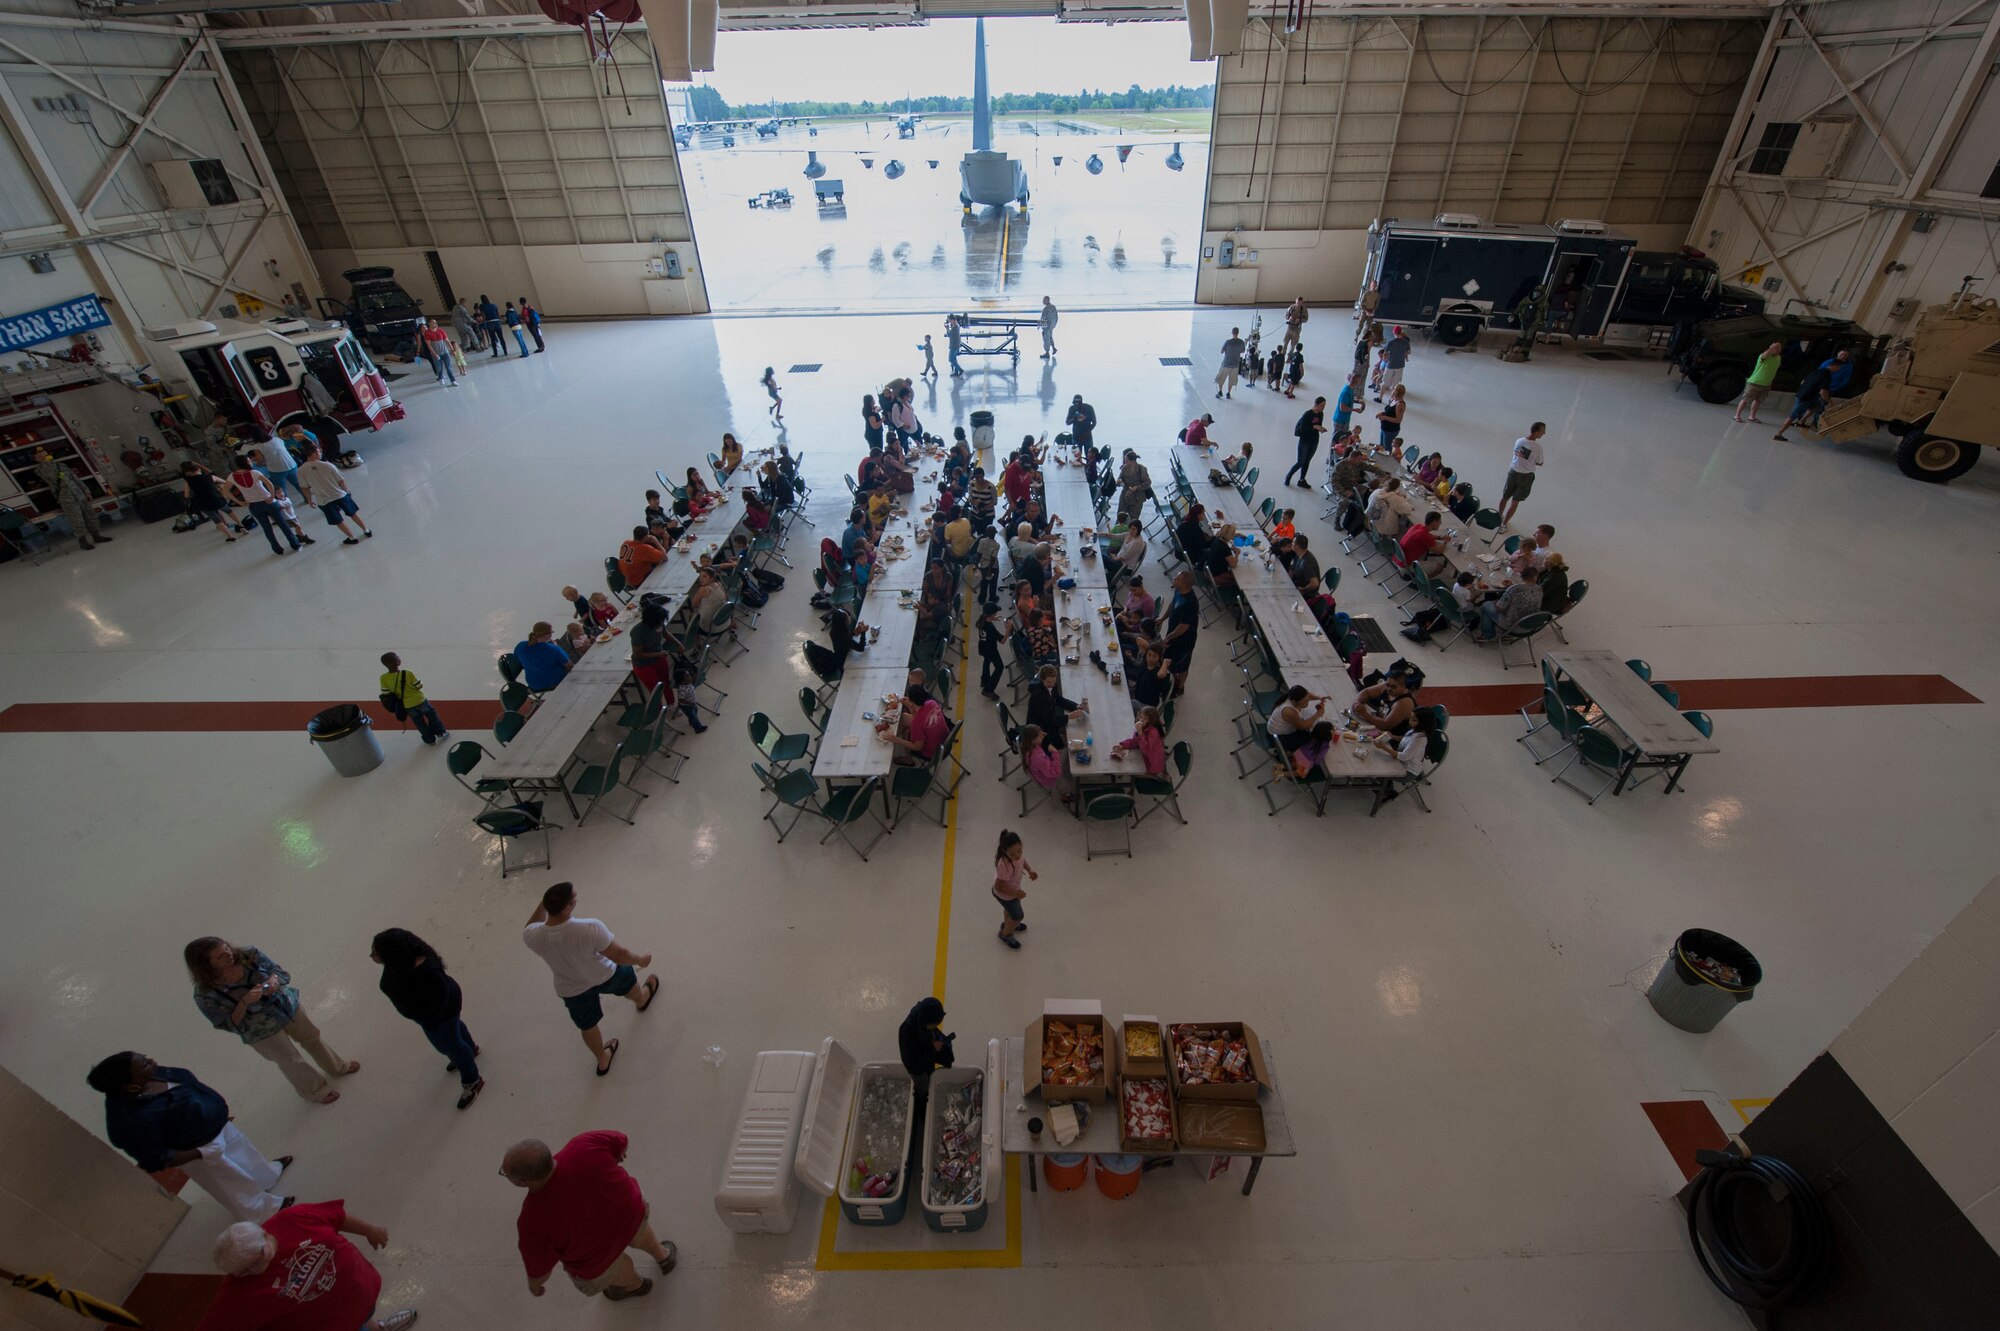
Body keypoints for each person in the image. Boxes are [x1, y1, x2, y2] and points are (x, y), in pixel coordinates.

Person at [90, 1053, 292, 1221]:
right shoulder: (128, 1120)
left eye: (144, 1057)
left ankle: (265, 1176)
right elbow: (157, 1157)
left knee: (242, 1151)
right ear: (129, 1085)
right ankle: (262, 1210)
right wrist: (201, 1153)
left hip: (215, 1125)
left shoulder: (152, 1074)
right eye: (143, 1064)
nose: (150, 1061)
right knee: (229, 1182)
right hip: (199, 1152)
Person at [506, 1132, 676, 1304]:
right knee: (637, 1231)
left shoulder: (531, 1221)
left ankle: (636, 1286)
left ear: (521, 1181)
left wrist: (535, 1285)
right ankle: (663, 1256)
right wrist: (617, 1155)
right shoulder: (583, 1145)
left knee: (613, 1269)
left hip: (596, 1257)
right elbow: (620, 1140)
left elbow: (540, 1268)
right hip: (630, 1214)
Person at [186, 939, 357, 1105]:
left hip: (286, 1006)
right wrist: (244, 1003)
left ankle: (336, 1066)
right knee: (290, 1060)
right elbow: (227, 1024)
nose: (228, 955)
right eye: (220, 957)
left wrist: (273, 980)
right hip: (261, 1031)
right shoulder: (204, 993)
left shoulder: (248, 954)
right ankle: (316, 1090)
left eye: (227, 949)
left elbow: (279, 972)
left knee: (312, 1037)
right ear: (206, 965)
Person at [198, 1205, 415, 1331]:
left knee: (365, 1319)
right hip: (336, 1325)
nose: (250, 1272)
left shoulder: (292, 1218)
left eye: (256, 1261)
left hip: (360, 1291)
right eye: (243, 1271)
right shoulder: (236, 1293)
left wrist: (370, 1229)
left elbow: (335, 1216)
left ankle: (378, 1328)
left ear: (264, 1234)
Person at [522, 882, 659, 1077]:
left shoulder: (534, 936)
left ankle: (602, 1059)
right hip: (604, 975)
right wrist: (640, 960)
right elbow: (618, 955)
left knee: (587, 1025)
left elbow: (530, 925)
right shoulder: (589, 928)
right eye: (573, 898)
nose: (576, 898)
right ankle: (641, 999)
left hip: (570, 988)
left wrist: (544, 902)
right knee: (627, 981)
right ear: (568, 907)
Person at [369, 929, 482, 1110]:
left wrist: (431, 1020)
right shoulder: (407, 963)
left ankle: (472, 1080)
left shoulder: (425, 971)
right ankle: (470, 1049)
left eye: (376, 952)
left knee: (449, 1045)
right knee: (455, 1028)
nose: (371, 956)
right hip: (441, 1011)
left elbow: (440, 996)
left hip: (438, 1015)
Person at [295, 443, 371, 544]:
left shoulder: (301, 470)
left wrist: (309, 500)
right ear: (313, 454)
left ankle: (352, 538)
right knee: (353, 513)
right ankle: (366, 530)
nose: (320, 453)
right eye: (318, 451)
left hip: (324, 500)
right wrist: (346, 490)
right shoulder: (327, 465)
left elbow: (305, 487)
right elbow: (341, 480)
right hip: (339, 494)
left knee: (338, 521)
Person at [227, 456, 298, 555]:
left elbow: (225, 491)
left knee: (267, 528)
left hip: (253, 506)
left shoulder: (232, 476)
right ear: (246, 462)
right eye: (249, 460)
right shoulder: (255, 473)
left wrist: (239, 502)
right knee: (283, 524)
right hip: (269, 502)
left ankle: (277, 549)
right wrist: (272, 496)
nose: (251, 462)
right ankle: (294, 544)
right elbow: (269, 483)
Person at [1773, 350, 1850, 440]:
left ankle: (1801, 421)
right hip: (1806, 397)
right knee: (1792, 416)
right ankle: (1778, 434)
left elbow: (1803, 382)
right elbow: (1823, 392)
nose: (1838, 370)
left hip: (1804, 395)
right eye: (1838, 368)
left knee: (1815, 407)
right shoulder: (1826, 376)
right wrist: (1829, 402)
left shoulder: (1817, 371)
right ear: (1834, 366)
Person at [378, 652, 446, 746]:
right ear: (397, 662)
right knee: (432, 716)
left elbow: (385, 693)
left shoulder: (383, 678)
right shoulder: (407, 673)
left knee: (420, 723)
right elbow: (419, 685)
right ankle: (440, 732)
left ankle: (430, 740)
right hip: (420, 700)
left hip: (407, 705)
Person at [897, 997, 954, 1099]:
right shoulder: (907, 1034)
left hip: (925, 1058)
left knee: (929, 1073)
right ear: (927, 1023)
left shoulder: (921, 1016)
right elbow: (913, 1062)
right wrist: (932, 1048)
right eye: (934, 1025)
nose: (935, 1027)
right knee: (923, 1084)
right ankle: (922, 1096)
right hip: (917, 1069)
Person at [993, 829, 1036, 949]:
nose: (1017, 856)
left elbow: (1023, 862)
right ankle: (1005, 934)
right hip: (1005, 894)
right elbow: (998, 886)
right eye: (1012, 854)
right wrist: (1016, 893)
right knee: (1018, 915)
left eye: (1019, 851)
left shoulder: (1018, 857)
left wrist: (1030, 870)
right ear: (1004, 851)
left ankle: (1008, 924)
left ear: (1020, 846)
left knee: (1010, 909)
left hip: (1013, 892)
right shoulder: (1004, 866)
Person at [1160, 568, 1200, 695]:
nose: (1174, 579)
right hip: (1173, 634)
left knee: (1182, 666)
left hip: (1184, 640)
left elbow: (1184, 626)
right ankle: (1171, 680)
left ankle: (1179, 687)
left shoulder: (1190, 602)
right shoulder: (1178, 591)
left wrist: (1168, 638)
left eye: (1177, 579)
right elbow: (1173, 604)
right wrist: (1162, 618)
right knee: (1169, 659)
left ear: (1185, 584)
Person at [1498, 422, 1545, 530]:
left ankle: (1498, 516)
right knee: (1515, 501)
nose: (1544, 433)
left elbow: (1517, 454)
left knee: (1505, 497)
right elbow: (1539, 462)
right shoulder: (1538, 447)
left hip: (1513, 472)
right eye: (1542, 431)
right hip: (1525, 476)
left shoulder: (1519, 441)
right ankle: (1504, 524)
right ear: (1536, 432)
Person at [1477, 564, 1542, 642]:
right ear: (1535, 578)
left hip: (1512, 625)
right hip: (1529, 625)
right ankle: (1499, 631)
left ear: (1522, 576)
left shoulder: (1514, 589)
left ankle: (1489, 635)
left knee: (1485, 605)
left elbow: (1499, 608)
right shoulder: (1539, 589)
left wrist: (1495, 602)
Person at [180, 460, 240, 542]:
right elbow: (219, 478)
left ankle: (230, 537)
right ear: (197, 468)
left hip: (202, 501)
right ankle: (240, 525)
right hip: (215, 497)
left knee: (216, 519)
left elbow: (186, 495)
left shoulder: (188, 480)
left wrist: (193, 494)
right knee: (228, 511)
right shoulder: (208, 476)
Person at [1026, 664, 1083, 747]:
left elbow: (1058, 699)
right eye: (1049, 682)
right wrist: (1068, 716)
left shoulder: (1050, 686)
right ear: (1042, 680)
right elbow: (1049, 721)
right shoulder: (1038, 697)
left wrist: (1076, 706)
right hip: (1040, 730)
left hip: (1048, 722)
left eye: (1054, 681)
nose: (1052, 684)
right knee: (1064, 747)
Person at [513, 622, 572, 693]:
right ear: (547, 635)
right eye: (551, 632)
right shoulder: (554, 649)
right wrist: (555, 647)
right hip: (554, 682)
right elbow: (570, 665)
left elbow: (518, 659)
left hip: (534, 684)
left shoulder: (521, 646)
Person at [1268, 685, 1327, 753]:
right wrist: (1317, 714)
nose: (1306, 705)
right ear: (1293, 701)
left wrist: (1319, 698)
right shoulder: (1288, 711)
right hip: (1278, 738)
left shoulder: (1293, 695)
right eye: (1303, 704)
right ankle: (1289, 756)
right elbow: (1303, 726)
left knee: (1312, 732)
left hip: (1285, 731)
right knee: (1314, 739)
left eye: (1307, 701)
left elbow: (1308, 695)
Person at [1734, 341, 1782, 423]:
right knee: (1746, 399)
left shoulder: (1778, 358)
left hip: (1767, 383)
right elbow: (1764, 355)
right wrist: (1771, 350)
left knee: (1758, 400)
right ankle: (1737, 415)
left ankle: (1752, 416)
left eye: (1779, 348)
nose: (1777, 349)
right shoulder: (1764, 356)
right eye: (1775, 348)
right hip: (1755, 382)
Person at [1285, 397, 1327, 487]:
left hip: (1314, 440)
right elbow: (1303, 429)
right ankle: (1289, 476)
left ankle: (1302, 479)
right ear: (1316, 404)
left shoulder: (1321, 414)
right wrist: (1314, 427)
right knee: (1300, 461)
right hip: (1305, 441)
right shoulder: (1307, 414)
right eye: (1322, 405)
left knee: (1307, 461)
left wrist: (1320, 428)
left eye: (1324, 406)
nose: (1323, 407)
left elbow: (1319, 425)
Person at [1114, 705, 1168, 775]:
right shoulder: (1143, 728)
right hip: (1144, 757)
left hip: (1151, 764)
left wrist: (1140, 732)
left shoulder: (1153, 732)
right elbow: (1135, 741)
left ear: (1151, 722)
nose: (1141, 720)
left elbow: (1145, 749)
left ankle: (1158, 777)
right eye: (1141, 717)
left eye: (1145, 719)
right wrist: (1123, 745)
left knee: (1130, 772)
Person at [1397, 511, 1447, 575]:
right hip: (1406, 565)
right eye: (1439, 521)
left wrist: (1439, 537)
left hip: (1399, 558)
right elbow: (1439, 551)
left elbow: (1428, 535)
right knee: (1439, 567)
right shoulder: (1425, 536)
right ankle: (1420, 583)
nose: (1440, 523)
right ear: (1434, 523)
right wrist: (1446, 541)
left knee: (1425, 551)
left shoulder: (1418, 526)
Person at [1115, 450, 1152, 527]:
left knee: (1133, 519)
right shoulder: (1125, 468)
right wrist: (1119, 480)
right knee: (1120, 516)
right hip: (1125, 495)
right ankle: (1118, 531)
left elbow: (1147, 483)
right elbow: (1120, 477)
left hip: (1137, 497)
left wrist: (1137, 487)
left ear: (1132, 461)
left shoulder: (1142, 469)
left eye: (1126, 460)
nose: (1125, 462)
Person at [419, 317, 457, 385]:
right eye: (433, 322)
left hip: (444, 352)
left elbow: (447, 341)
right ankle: (441, 377)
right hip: (436, 353)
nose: (435, 324)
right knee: (439, 368)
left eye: (435, 322)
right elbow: (429, 345)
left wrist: (452, 350)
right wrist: (434, 354)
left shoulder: (441, 330)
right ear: (429, 324)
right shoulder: (427, 333)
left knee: (448, 367)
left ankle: (453, 380)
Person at [1378, 325, 1411, 400]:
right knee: (1395, 385)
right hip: (1400, 365)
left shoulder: (1390, 342)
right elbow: (1408, 352)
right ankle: (1391, 399)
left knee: (1385, 383)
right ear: (1401, 332)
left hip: (1390, 365)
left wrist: (1384, 359)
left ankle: (1380, 398)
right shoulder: (1405, 342)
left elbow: (1385, 353)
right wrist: (1406, 358)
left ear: (1394, 332)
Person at [1216, 326, 1247, 398]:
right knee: (1232, 380)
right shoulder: (1241, 342)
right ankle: (1228, 393)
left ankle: (1220, 391)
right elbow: (1243, 351)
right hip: (1235, 364)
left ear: (1232, 333)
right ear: (1238, 333)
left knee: (1221, 378)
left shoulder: (1228, 342)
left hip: (1226, 363)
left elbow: (1222, 351)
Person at [1539, 552, 1571, 616]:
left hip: (1551, 605)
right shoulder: (1558, 571)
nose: (1544, 561)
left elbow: (1539, 593)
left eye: (1546, 559)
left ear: (1549, 563)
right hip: (1558, 601)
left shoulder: (1553, 577)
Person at [1377, 383, 1407, 450]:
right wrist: (1382, 413)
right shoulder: (1393, 399)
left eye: (1394, 389)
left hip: (1390, 430)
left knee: (1386, 448)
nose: (1392, 390)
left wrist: (1384, 417)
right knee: (1381, 446)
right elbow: (1389, 412)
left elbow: (1398, 420)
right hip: (1384, 427)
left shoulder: (1400, 404)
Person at [1332, 371, 1360, 440]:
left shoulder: (1350, 389)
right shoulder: (1346, 392)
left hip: (1345, 419)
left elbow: (1349, 400)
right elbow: (1342, 407)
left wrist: (1357, 401)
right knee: (1338, 439)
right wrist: (1354, 410)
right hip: (1341, 420)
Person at [478, 294, 505, 358]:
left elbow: (483, 316)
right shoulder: (494, 305)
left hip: (490, 323)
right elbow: (498, 314)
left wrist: (482, 321)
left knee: (493, 339)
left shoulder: (481, 306)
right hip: (497, 322)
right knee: (501, 338)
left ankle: (495, 354)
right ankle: (505, 351)